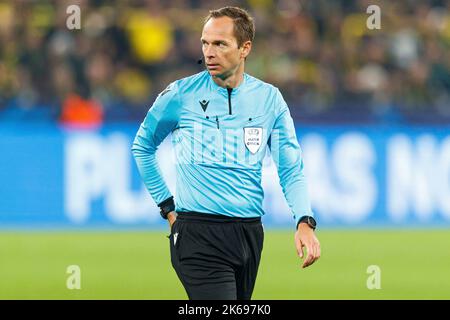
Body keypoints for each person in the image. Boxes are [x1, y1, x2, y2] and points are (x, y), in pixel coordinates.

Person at [132, 6, 320, 300]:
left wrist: (304, 221)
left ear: (245, 48)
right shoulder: (180, 95)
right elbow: (142, 147)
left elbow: (290, 168)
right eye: (205, 43)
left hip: (249, 233)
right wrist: (168, 208)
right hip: (198, 234)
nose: (209, 52)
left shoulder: (268, 99)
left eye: (220, 44)